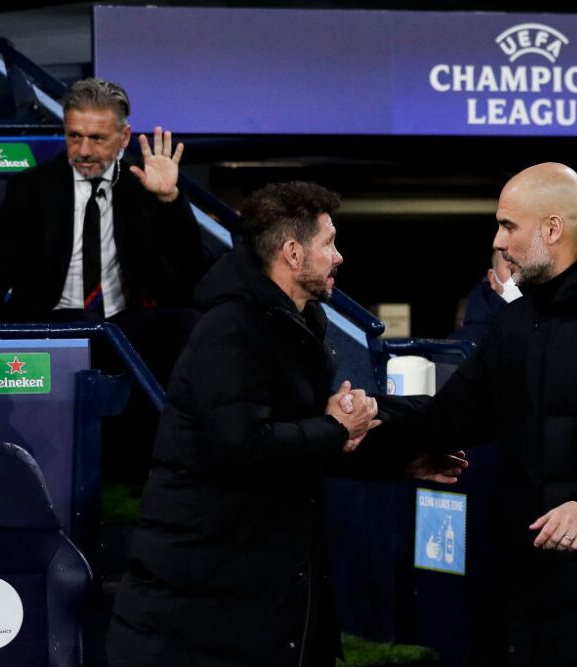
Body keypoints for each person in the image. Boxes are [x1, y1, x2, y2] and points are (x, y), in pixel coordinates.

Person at [106, 181, 464, 667]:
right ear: (293, 253)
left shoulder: (301, 321)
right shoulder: (229, 330)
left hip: (260, 589)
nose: (339, 257)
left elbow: (307, 441)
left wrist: (401, 461)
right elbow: (243, 448)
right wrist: (337, 427)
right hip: (203, 608)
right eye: (329, 243)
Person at [378, 163, 577, 666]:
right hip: (537, 602)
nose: (498, 242)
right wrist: (362, 421)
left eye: (508, 226)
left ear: (552, 229)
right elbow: (452, 415)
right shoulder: (517, 324)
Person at [0, 77, 207, 383]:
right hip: (50, 323)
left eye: (96, 138)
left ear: (123, 137)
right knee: (82, 323)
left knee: (188, 324)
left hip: (123, 323)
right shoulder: (31, 188)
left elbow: (192, 274)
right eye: (74, 136)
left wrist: (169, 200)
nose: (83, 150)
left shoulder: (141, 186)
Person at [450, 250, 521, 343]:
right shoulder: (469, 343)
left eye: (524, 268)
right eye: (511, 267)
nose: (520, 275)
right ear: (492, 278)